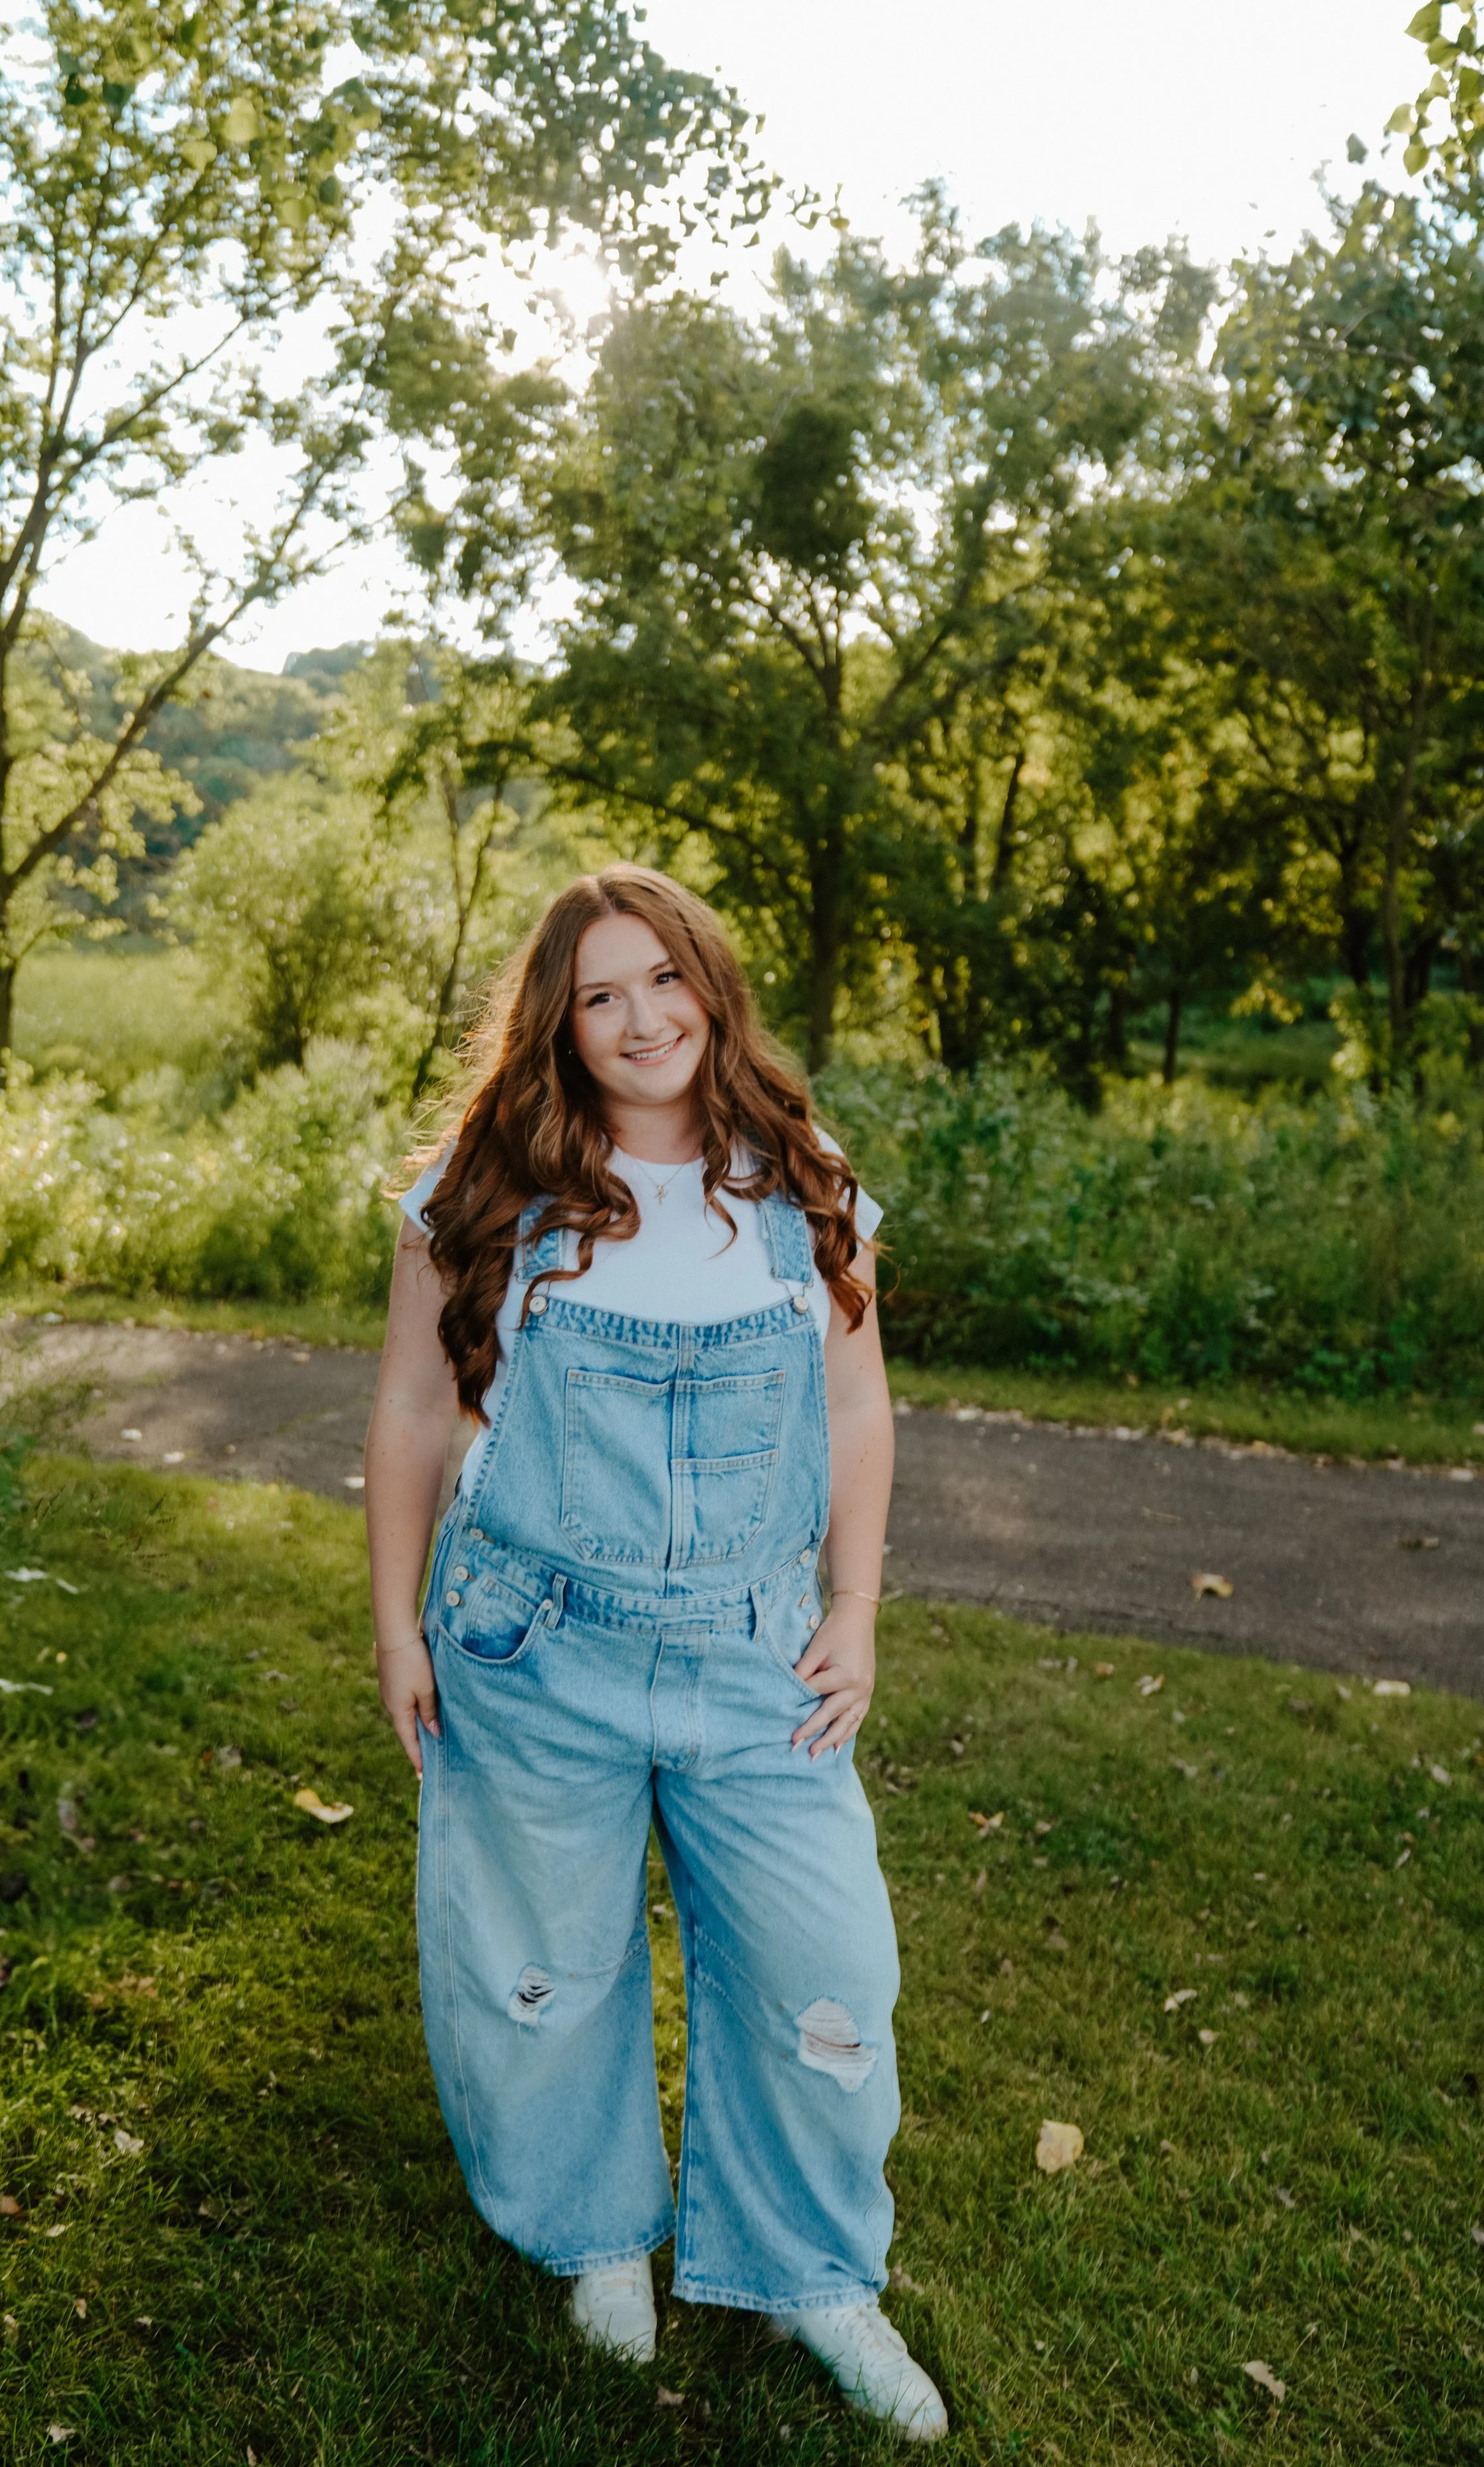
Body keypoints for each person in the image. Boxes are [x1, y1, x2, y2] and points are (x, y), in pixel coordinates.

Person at [364, 864, 947, 2443]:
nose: (639, 1021)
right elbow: (417, 1413)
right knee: (543, 1970)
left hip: (757, 1653)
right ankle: (597, 2234)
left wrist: (853, 1606)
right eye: (597, 996)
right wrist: (393, 1619)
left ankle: (811, 2269)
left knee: (825, 1975)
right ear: (557, 1025)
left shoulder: (799, 1181)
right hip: (528, 1646)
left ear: (711, 988)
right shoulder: (484, 1191)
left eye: (660, 982)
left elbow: (854, 1408)